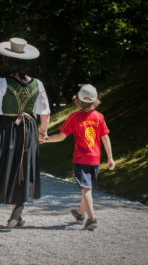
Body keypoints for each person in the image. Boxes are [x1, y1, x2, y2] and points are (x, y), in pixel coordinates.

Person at [0, 38, 51, 228]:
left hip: (8, 127)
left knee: (9, 166)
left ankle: (16, 206)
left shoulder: (2, 82)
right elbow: (45, 113)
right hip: (29, 128)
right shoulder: (38, 84)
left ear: (9, 62)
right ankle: (16, 211)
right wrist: (43, 133)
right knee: (24, 167)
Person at [42, 84, 115, 230]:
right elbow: (105, 138)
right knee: (86, 188)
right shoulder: (99, 117)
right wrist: (110, 158)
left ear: (79, 100)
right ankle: (81, 214)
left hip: (81, 159)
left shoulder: (74, 117)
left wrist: (46, 139)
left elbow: (62, 137)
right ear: (95, 100)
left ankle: (92, 219)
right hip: (95, 159)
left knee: (86, 189)